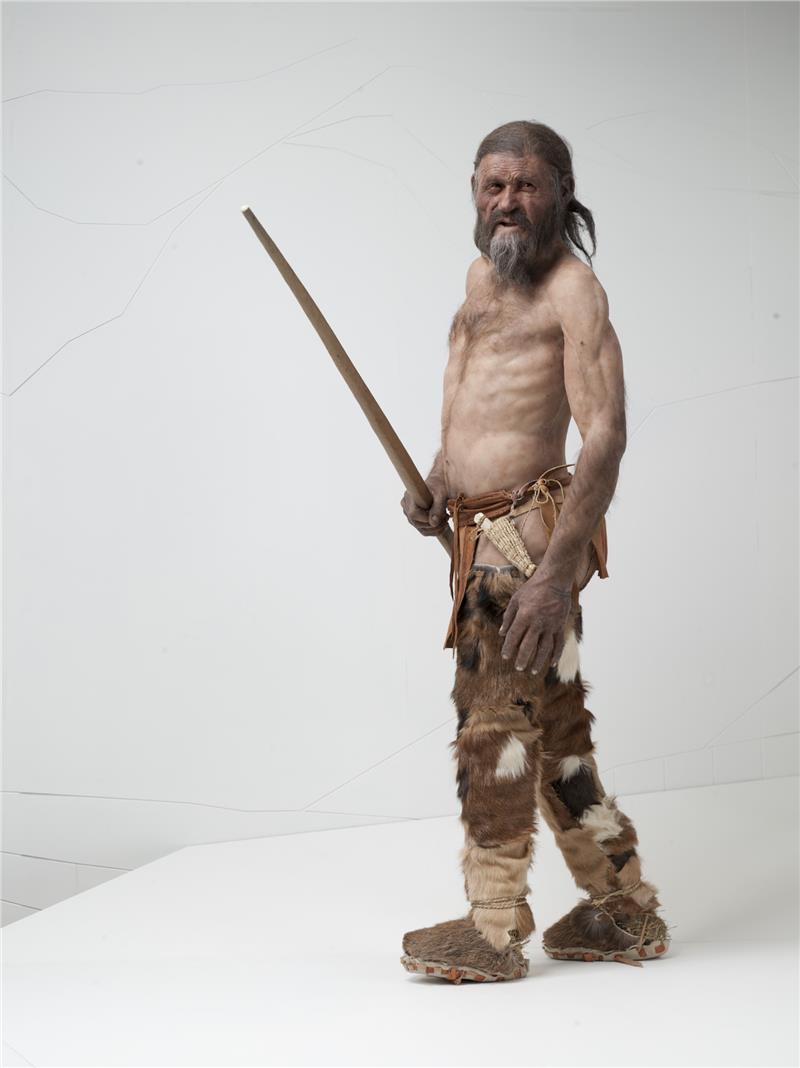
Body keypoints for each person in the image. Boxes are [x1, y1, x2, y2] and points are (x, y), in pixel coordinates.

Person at [399, 121, 670, 983]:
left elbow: (606, 436)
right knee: (556, 736)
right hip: (478, 534)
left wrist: (555, 579)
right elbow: (478, 410)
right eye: (494, 185)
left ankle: (491, 928)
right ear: (475, 194)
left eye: (526, 185)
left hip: (522, 553)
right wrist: (438, 478)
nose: (508, 201)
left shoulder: (573, 291)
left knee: (493, 731)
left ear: (561, 191)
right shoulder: (481, 278)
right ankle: (623, 905)